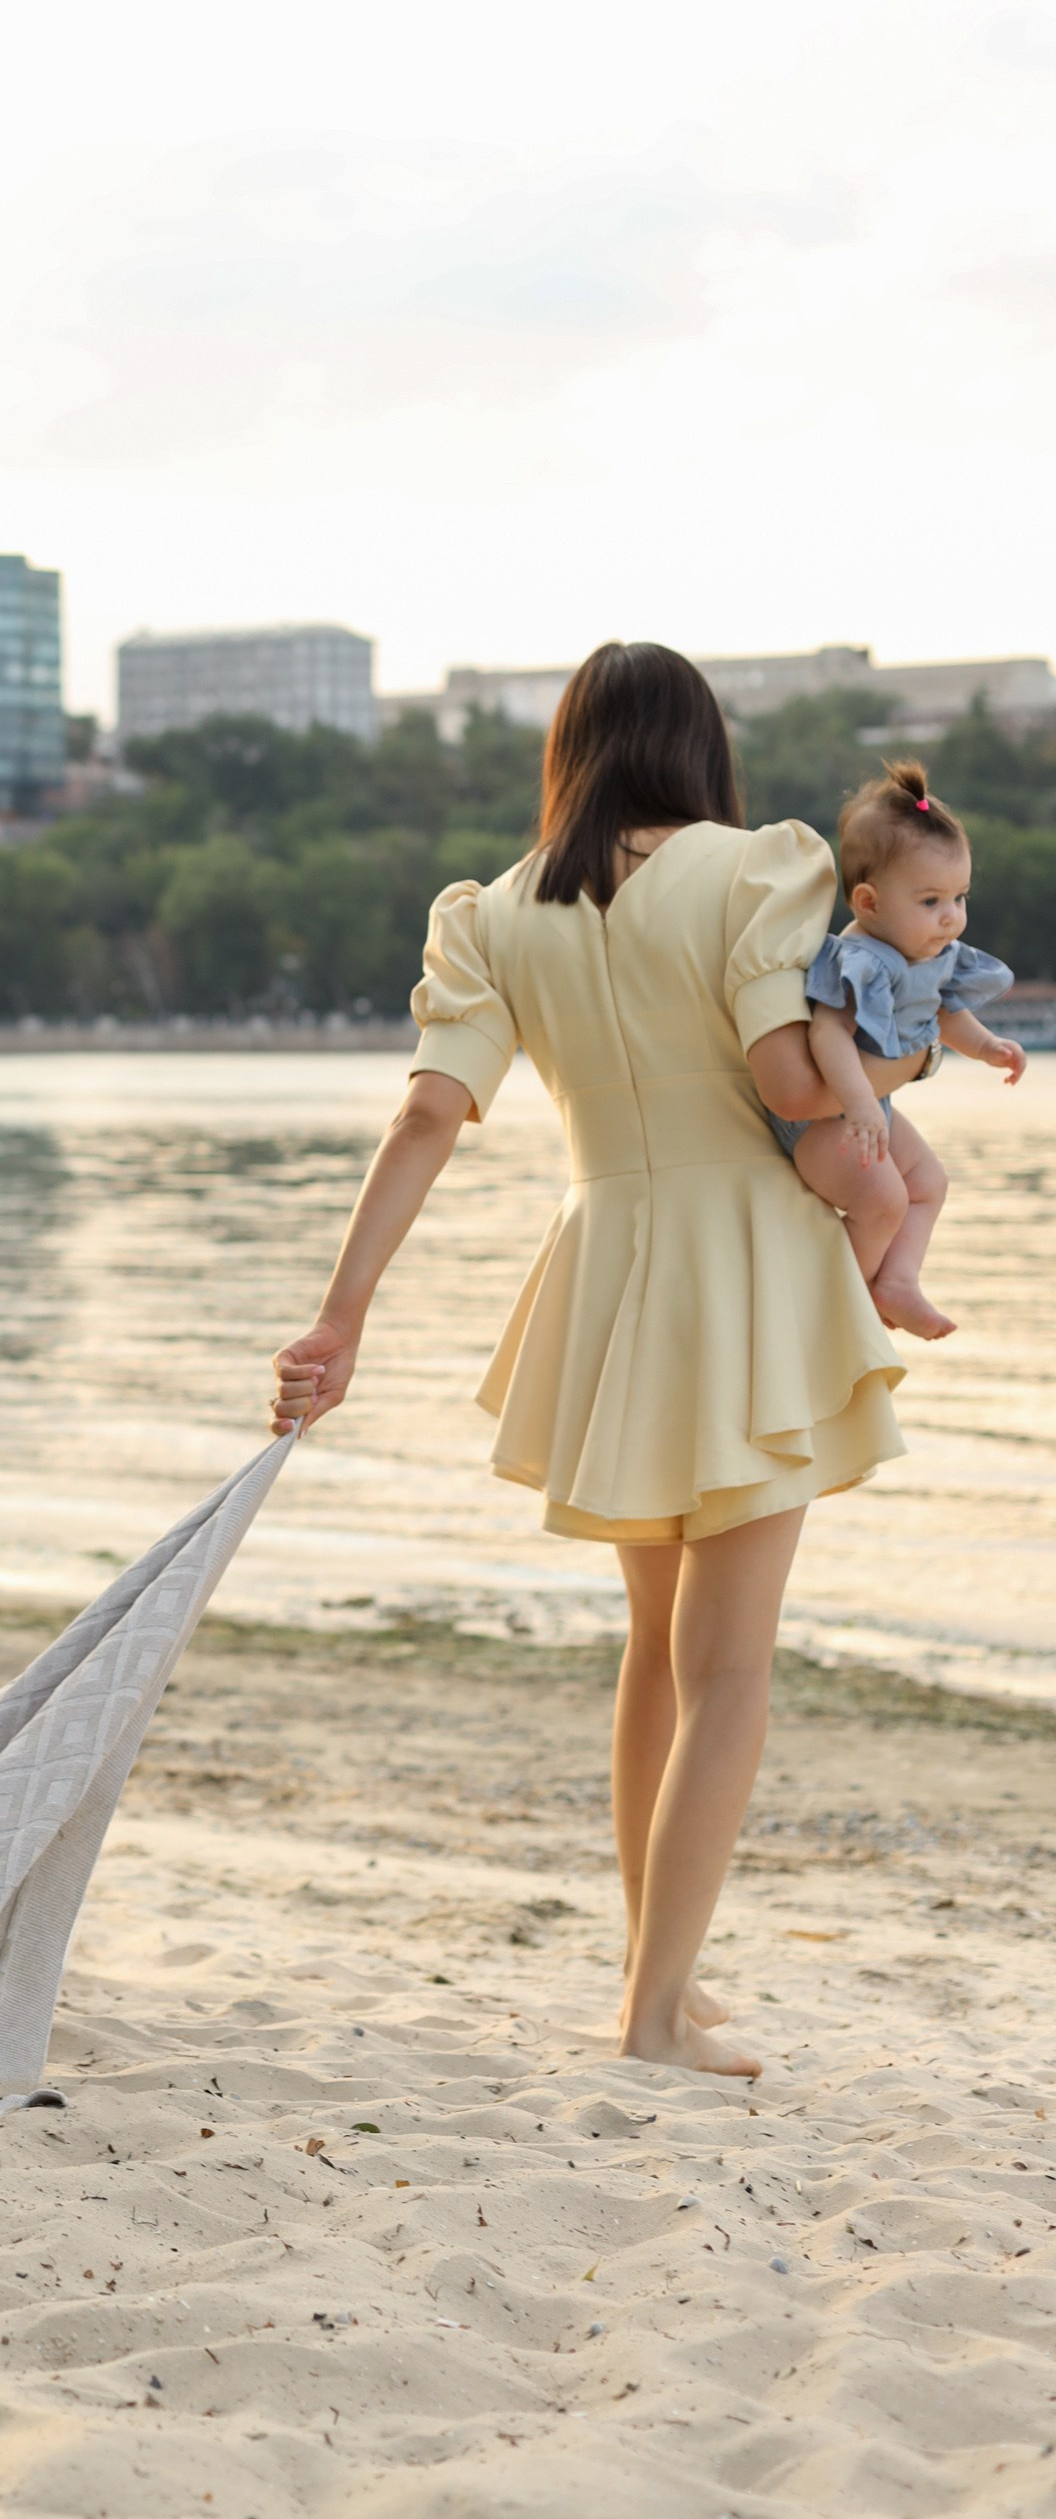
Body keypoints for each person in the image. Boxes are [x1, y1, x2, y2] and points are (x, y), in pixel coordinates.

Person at [270, 641, 905, 2082]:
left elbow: (428, 1118)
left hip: (610, 1256)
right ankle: (657, 2013)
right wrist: (907, 1062)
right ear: (700, 748)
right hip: (742, 1256)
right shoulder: (764, 868)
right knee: (729, 1666)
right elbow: (789, 1078)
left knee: (659, 1647)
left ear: (570, 751)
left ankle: (652, 1970)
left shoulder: (496, 910)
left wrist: (343, 1312)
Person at [767, 760, 1021, 1342]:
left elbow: (945, 1015)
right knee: (882, 1197)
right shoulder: (856, 960)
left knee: (930, 1182)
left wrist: (987, 1048)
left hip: (865, 1112)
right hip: (823, 1121)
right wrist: (857, 1104)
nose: (951, 916)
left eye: (960, 896)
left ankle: (898, 1282)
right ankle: (841, 1314)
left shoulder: (930, 954)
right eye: (931, 900)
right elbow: (827, 1035)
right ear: (868, 901)